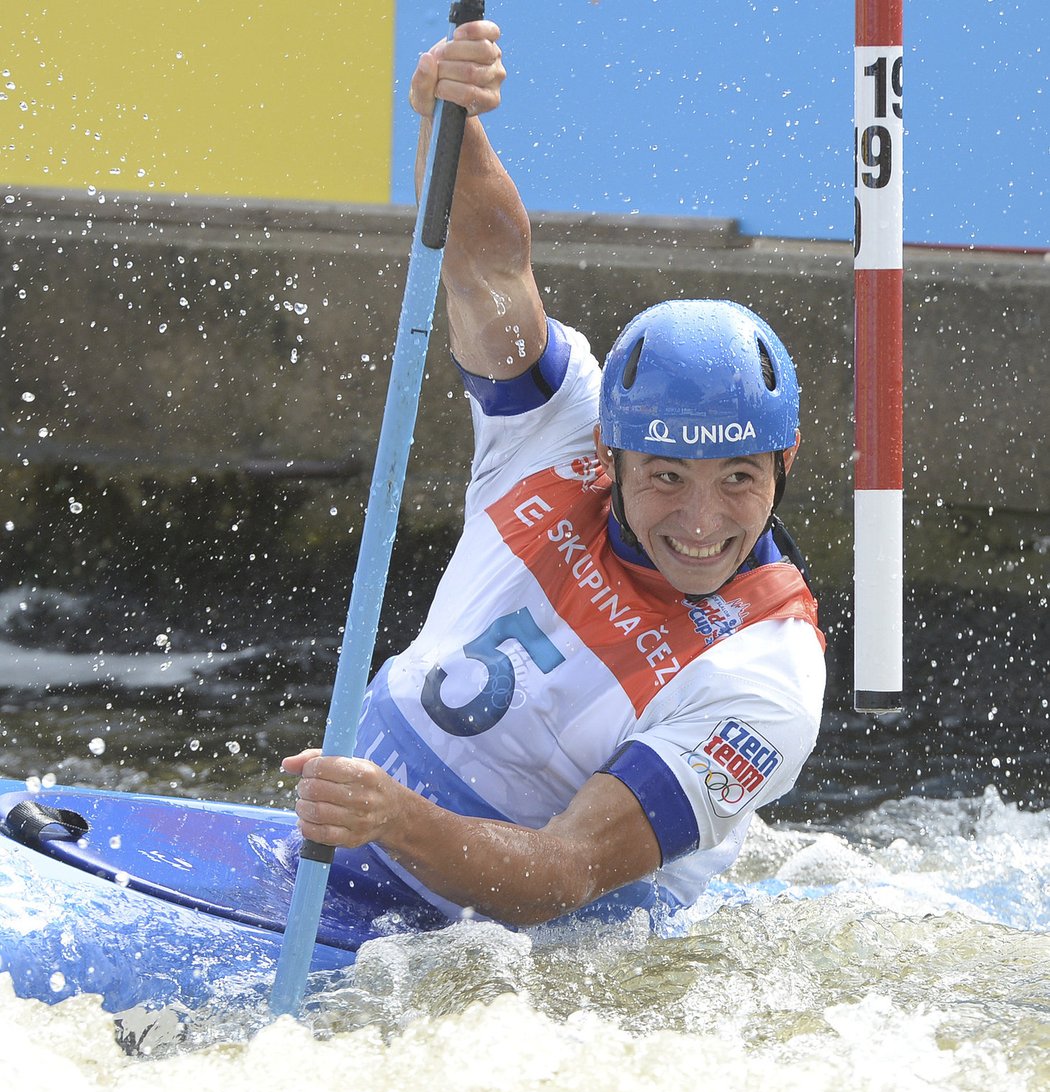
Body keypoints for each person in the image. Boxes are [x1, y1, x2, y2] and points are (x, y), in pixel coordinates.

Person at [282, 20, 825, 932]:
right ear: (608, 455)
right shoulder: (560, 421)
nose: (701, 521)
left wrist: (391, 816)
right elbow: (491, 263)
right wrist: (450, 119)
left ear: (786, 461)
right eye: (665, 476)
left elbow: (570, 870)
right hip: (352, 861)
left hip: (525, 959)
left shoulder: (766, 672)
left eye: (738, 477)